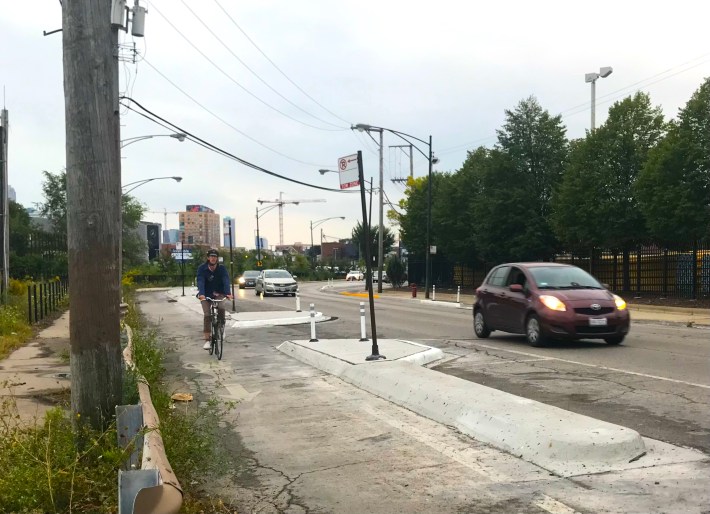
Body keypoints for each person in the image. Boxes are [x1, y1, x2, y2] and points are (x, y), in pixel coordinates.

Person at [196, 248, 232, 349]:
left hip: (219, 293)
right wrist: (202, 294)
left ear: (217, 258)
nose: (213, 258)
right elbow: (200, 281)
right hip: (206, 294)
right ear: (208, 258)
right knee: (207, 315)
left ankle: (221, 327)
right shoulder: (202, 268)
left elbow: (226, 280)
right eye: (211, 256)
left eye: (215, 257)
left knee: (221, 307)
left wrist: (228, 293)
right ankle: (207, 340)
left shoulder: (222, 269)